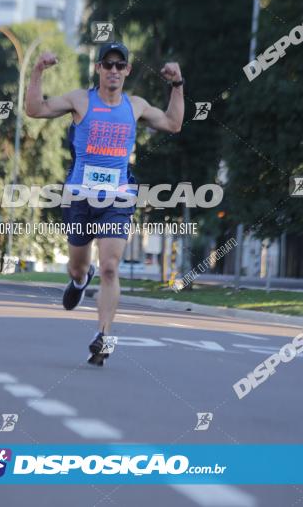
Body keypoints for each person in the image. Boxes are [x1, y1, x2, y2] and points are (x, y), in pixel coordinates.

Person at [25, 41, 184, 366]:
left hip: (118, 199)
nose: (113, 70)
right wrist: (38, 71)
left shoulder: (135, 105)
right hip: (80, 197)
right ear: (98, 68)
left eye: (119, 65)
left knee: (111, 267)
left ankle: (103, 336)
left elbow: (173, 123)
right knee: (77, 265)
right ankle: (80, 280)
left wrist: (177, 85)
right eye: (107, 64)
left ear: (127, 70)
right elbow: (35, 109)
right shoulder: (80, 100)